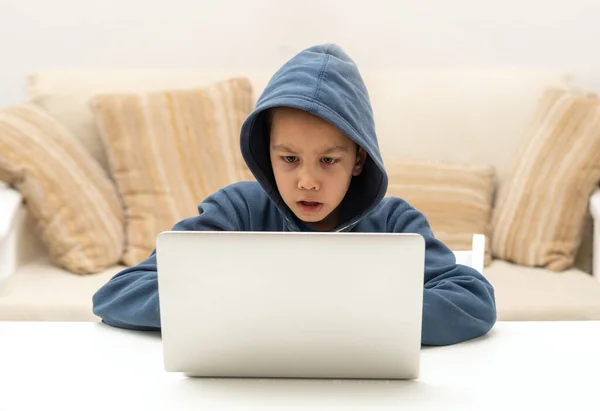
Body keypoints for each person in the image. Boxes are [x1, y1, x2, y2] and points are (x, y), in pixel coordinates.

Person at [92, 44, 496, 346]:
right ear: (266, 152)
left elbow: (474, 300)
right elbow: (119, 294)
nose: (306, 181)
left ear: (358, 161)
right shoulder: (235, 211)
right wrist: (247, 310)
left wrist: (347, 317)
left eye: (328, 161)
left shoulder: (395, 224)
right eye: (288, 158)